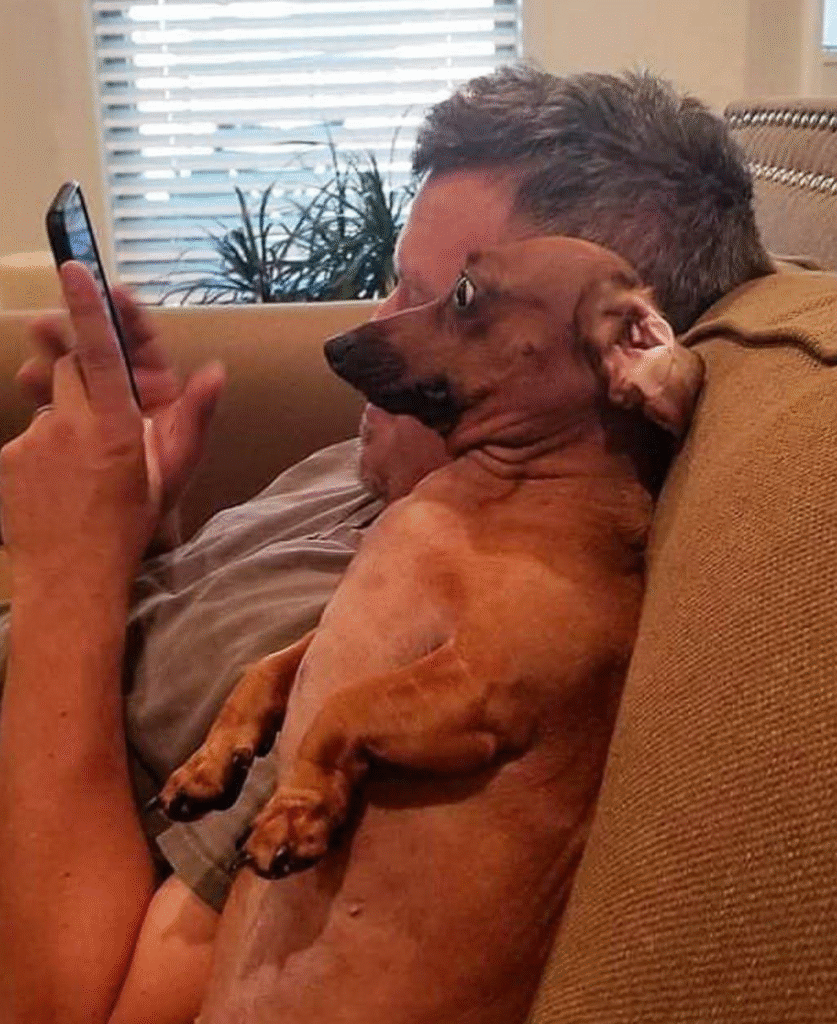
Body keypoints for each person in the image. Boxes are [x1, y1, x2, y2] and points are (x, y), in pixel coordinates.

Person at [0, 65, 772, 1023]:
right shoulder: (390, 468)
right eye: (396, 282)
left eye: (442, 298)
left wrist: (66, 577)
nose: (375, 324)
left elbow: (68, 1003)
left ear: (590, 359)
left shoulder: (418, 636)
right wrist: (144, 521)